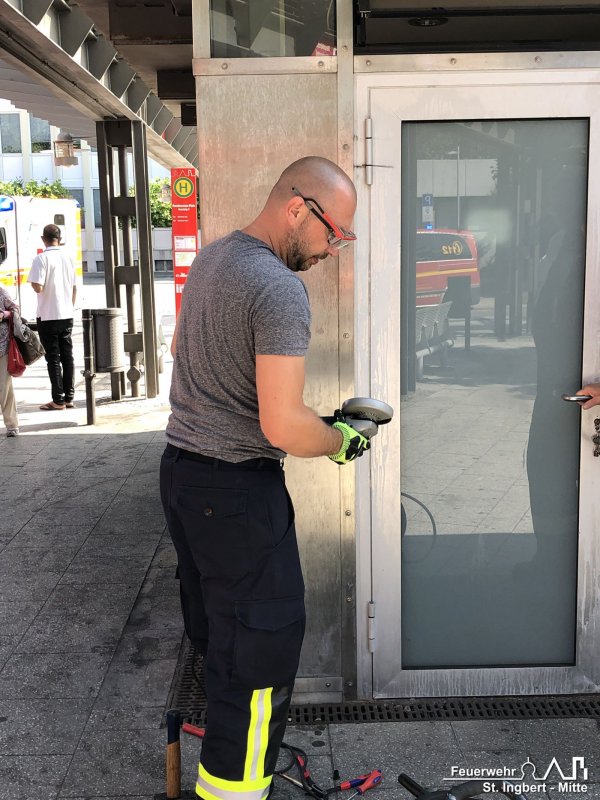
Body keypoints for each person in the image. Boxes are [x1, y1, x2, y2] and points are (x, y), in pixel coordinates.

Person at [160, 156, 370, 800]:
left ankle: (221, 766)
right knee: (261, 655)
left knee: (221, 637)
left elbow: (182, 354)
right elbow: (282, 426)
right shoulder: (278, 288)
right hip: (236, 493)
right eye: (332, 233)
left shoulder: (215, 259)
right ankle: (233, 789)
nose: (334, 250)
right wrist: (341, 441)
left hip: (183, 475)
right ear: (297, 208)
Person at [27, 223, 77, 410]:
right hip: (66, 314)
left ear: (43, 238)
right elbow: (74, 287)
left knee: (53, 358)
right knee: (67, 356)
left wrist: (33, 283)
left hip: (48, 315)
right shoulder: (68, 257)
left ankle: (58, 399)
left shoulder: (41, 259)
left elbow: (38, 286)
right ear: (60, 238)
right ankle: (70, 397)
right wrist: (69, 307)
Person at [0, 286, 20, 437]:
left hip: (2, 346)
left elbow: (16, 310)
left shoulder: (1, 291)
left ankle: (11, 425)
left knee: (4, 387)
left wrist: (4, 314)